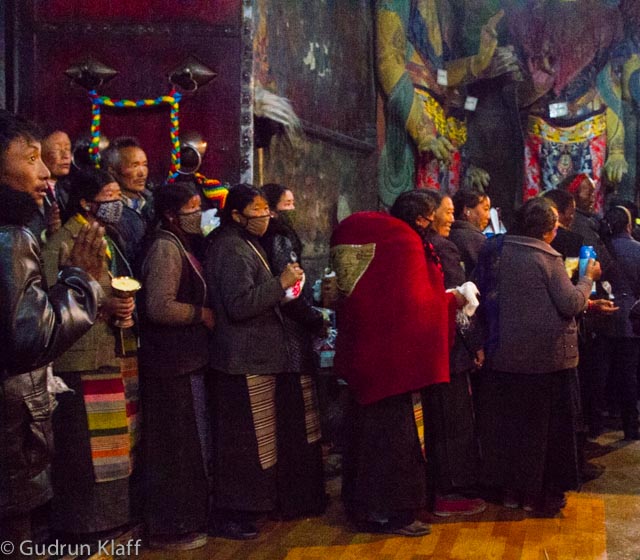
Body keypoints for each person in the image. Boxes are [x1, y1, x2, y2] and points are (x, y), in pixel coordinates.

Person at [0, 109, 104, 547]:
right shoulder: (10, 236)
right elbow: (30, 337)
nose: (45, 173)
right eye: (31, 159)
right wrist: (81, 281)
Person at [334, 191, 463, 536]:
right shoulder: (404, 244)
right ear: (421, 219)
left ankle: (362, 508)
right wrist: (453, 302)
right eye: (433, 215)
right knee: (394, 442)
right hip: (393, 366)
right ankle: (390, 514)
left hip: (365, 357)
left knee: (363, 438)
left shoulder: (375, 236)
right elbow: (417, 307)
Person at [204, 184, 325, 540]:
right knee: (243, 443)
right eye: (257, 211)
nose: (265, 216)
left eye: (265, 210)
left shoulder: (247, 242)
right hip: (240, 359)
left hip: (256, 358)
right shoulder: (230, 248)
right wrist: (281, 283)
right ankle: (234, 512)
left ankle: (250, 509)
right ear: (236, 215)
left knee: (260, 441)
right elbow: (239, 305)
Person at [476, 197, 600, 515]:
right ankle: (538, 495)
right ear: (548, 229)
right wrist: (588, 278)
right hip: (545, 361)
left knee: (509, 429)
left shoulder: (496, 250)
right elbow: (570, 304)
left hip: (502, 354)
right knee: (543, 434)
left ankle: (509, 492)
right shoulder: (546, 257)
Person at [41, 168, 140, 538]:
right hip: (80, 357)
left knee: (114, 444)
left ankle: (112, 520)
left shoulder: (106, 235)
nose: (116, 203)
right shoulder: (63, 242)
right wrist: (104, 304)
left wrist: (123, 304)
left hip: (110, 350)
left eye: (117, 196)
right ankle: (85, 526)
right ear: (85, 202)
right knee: (86, 450)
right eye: (108, 197)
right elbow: (52, 299)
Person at [375, 1, 516, 205]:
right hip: (410, 122)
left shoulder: (448, 11)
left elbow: (440, 75)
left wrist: (478, 64)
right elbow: (389, 60)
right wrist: (423, 132)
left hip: (438, 132)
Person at [138, 182, 214, 550]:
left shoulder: (181, 243)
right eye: (191, 210)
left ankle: (188, 518)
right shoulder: (165, 247)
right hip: (171, 364)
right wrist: (200, 314)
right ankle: (173, 525)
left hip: (185, 361)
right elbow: (159, 305)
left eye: (199, 208)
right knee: (176, 448)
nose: (197, 215)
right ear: (171, 215)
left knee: (188, 444)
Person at [419, 190, 486, 517]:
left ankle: (436, 489)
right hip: (450, 349)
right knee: (453, 421)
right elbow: (461, 302)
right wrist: (475, 344)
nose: (451, 218)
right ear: (428, 215)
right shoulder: (441, 247)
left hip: (427, 347)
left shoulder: (416, 244)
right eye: (446, 212)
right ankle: (451, 491)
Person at [598, 206, 640, 440]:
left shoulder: (601, 249)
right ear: (628, 225)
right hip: (631, 319)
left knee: (600, 373)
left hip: (602, 316)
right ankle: (630, 426)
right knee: (629, 375)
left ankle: (595, 423)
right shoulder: (637, 250)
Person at [102, 137, 154, 264]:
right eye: (134, 165)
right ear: (112, 170)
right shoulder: (110, 212)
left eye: (144, 165)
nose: (142, 173)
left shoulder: (154, 202)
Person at [27, 129, 73, 243]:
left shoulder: (68, 188)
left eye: (68, 149)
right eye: (57, 149)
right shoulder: (31, 190)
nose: (66, 155)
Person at [449, 189, 490, 279]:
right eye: (485, 209)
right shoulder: (477, 240)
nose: (489, 216)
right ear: (467, 210)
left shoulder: (448, 233)